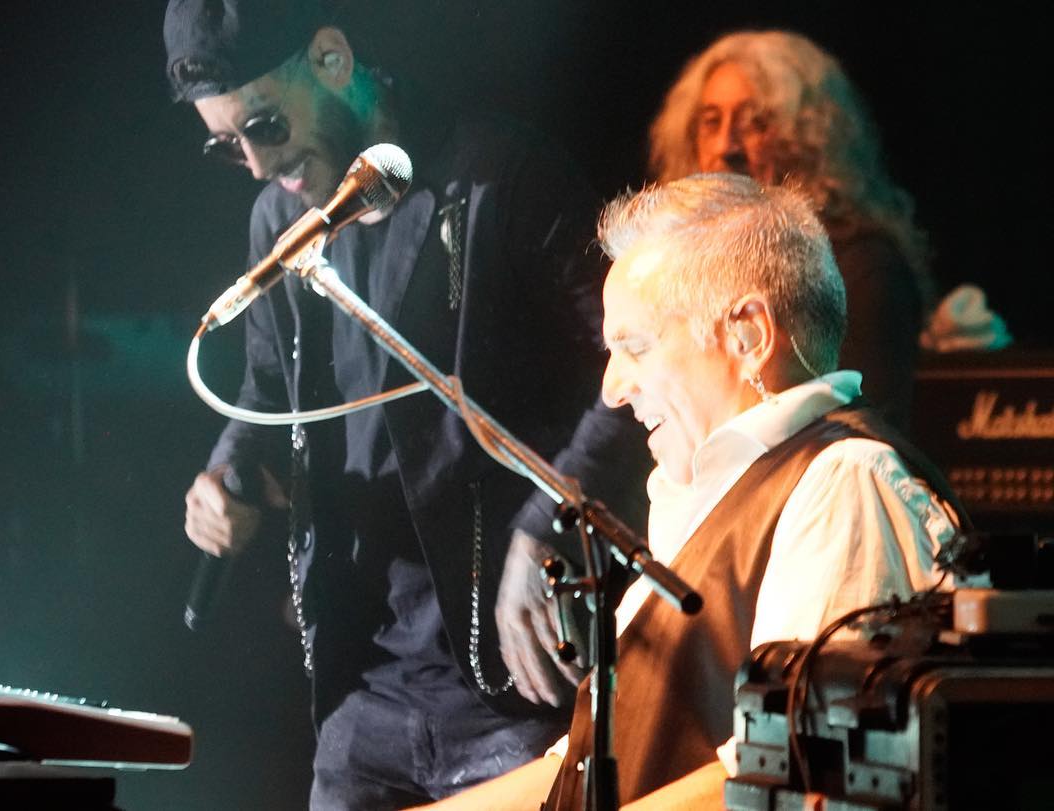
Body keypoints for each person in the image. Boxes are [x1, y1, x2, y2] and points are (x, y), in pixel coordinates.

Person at [164, 1, 650, 807]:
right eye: (227, 144)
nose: (254, 163)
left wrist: (548, 524)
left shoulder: (503, 173)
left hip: (509, 678)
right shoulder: (279, 219)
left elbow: (635, 365)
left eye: (265, 126)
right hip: (365, 687)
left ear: (330, 58)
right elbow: (264, 393)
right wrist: (227, 472)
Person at [413, 172, 965, 810]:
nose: (614, 389)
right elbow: (581, 769)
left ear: (749, 335)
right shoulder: (705, 498)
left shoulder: (846, 483)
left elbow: (797, 769)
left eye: (636, 347)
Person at [648, 30, 933, 430]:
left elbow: (862, 438)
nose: (727, 145)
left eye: (755, 123)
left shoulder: (865, 268)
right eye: (711, 122)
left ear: (809, 139)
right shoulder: (677, 264)